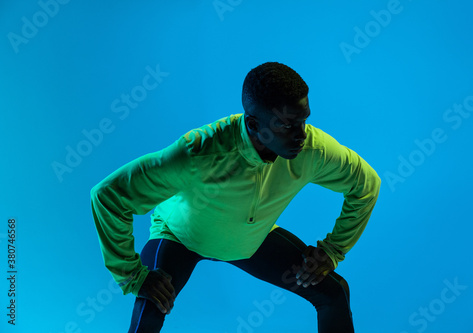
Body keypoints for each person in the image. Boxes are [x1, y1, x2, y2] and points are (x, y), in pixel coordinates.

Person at [90, 61, 381, 332]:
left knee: (334, 292)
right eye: (286, 125)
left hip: (250, 238)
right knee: (150, 310)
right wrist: (132, 276)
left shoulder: (312, 150)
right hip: (180, 236)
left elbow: (366, 185)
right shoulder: (198, 153)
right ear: (254, 125)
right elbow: (108, 196)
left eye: (303, 120)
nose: (301, 135)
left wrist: (332, 251)